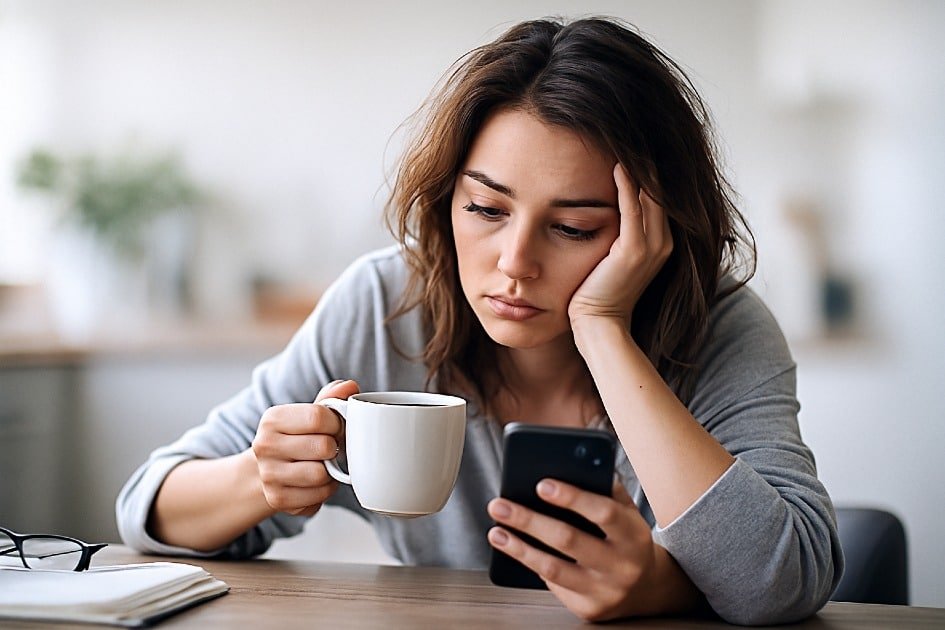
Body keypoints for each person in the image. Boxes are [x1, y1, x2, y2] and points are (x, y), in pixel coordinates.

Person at [116, 16, 843, 624]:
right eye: (487, 209)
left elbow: (782, 578)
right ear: (447, 200)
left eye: (574, 228)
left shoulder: (722, 328)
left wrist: (602, 328)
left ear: (649, 233)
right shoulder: (385, 305)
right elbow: (147, 506)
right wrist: (261, 477)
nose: (515, 262)